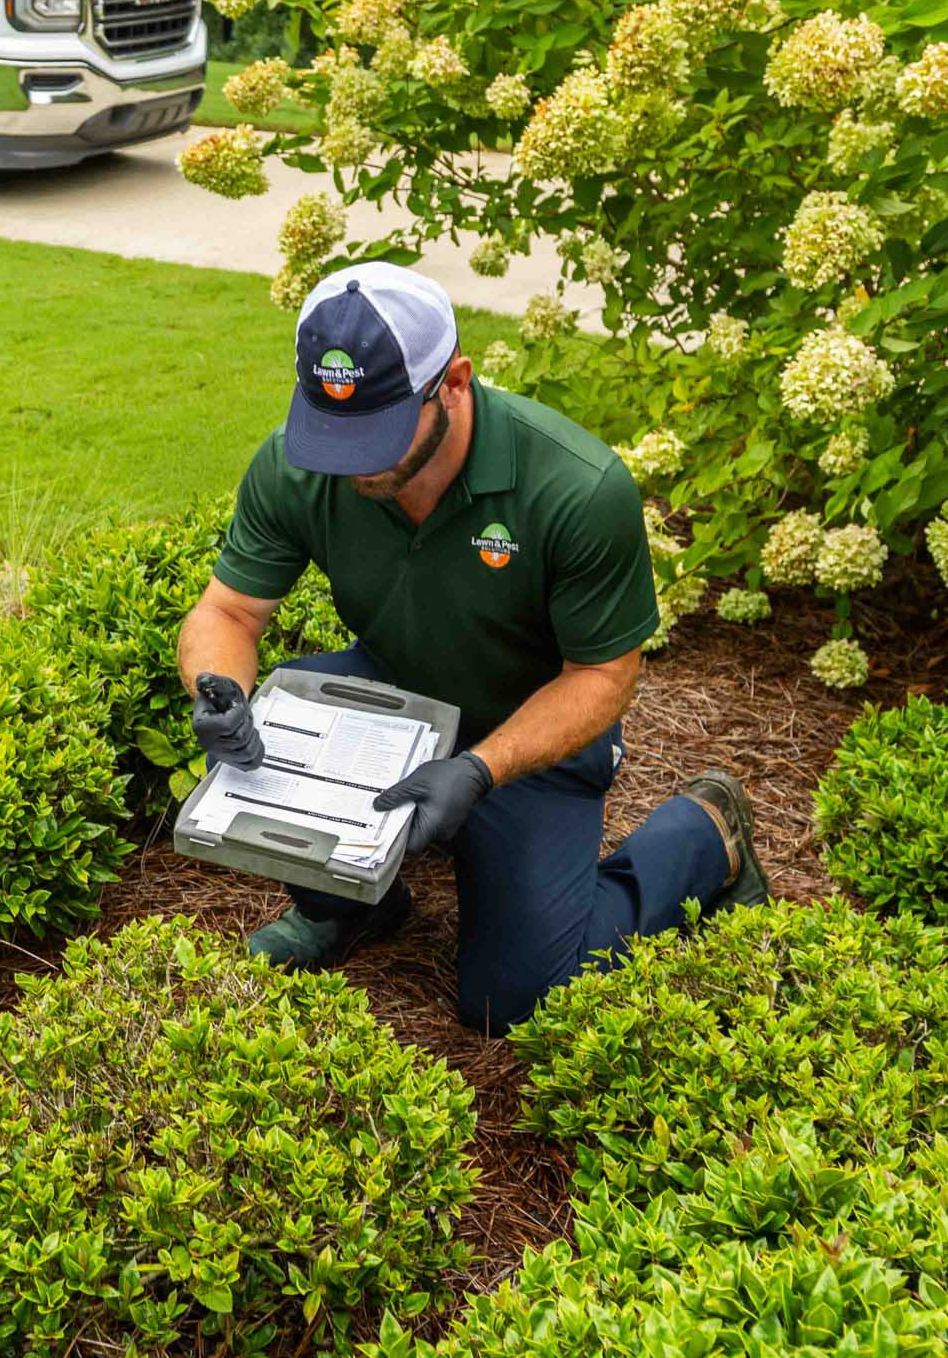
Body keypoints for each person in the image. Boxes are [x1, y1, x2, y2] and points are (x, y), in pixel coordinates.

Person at [174, 261, 768, 1034]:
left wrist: (479, 769)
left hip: (532, 728)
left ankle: (702, 832)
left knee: (511, 1004)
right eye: (335, 431)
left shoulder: (575, 489)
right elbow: (229, 611)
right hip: (399, 691)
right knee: (282, 710)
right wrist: (219, 692)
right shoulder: (295, 462)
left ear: (453, 382)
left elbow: (605, 677)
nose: (351, 462)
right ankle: (353, 906)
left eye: (378, 432)